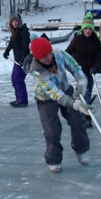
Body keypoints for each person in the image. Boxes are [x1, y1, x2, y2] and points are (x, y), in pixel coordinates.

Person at [23, 34, 96, 173]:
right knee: (52, 130)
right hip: (46, 97)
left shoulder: (59, 53)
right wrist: (78, 104)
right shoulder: (36, 71)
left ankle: (81, 150)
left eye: (50, 54)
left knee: (77, 120)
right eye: (45, 57)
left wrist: (81, 83)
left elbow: (75, 67)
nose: (49, 58)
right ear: (38, 58)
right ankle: (54, 159)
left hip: (65, 88)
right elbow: (56, 95)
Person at [65, 12, 101, 128]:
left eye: (90, 29)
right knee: (84, 94)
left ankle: (85, 115)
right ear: (82, 29)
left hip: (90, 70)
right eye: (86, 28)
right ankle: (86, 117)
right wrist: (71, 64)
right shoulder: (77, 39)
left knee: (87, 93)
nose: (88, 31)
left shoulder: (95, 41)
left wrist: (96, 67)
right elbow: (67, 53)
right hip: (79, 71)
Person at [3, 13, 30, 108]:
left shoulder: (24, 31)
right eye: (13, 21)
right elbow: (12, 42)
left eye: (16, 21)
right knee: (14, 79)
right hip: (18, 59)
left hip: (24, 59)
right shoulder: (15, 31)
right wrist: (6, 51)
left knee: (18, 80)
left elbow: (25, 46)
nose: (15, 23)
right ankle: (19, 99)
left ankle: (22, 101)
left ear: (19, 21)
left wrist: (22, 60)